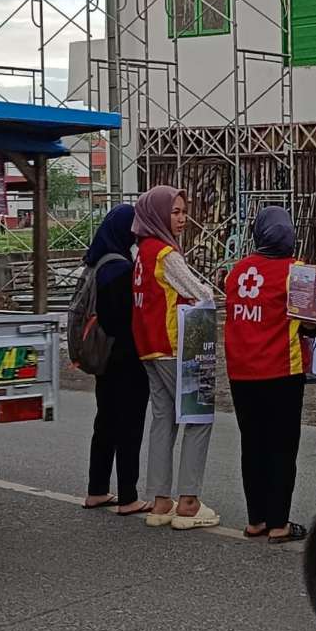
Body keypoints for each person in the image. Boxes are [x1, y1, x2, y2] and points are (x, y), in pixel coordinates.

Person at [131, 185, 220, 531]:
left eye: (184, 211)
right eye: (175, 212)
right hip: (175, 345)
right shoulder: (166, 253)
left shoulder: (141, 251)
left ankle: (160, 501)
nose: (182, 218)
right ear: (157, 214)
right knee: (199, 417)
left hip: (148, 347)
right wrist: (209, 292)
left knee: (163, 419)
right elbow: (199, 292)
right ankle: (189, 502)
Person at [224, 207, 308, 544]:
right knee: (282, 447)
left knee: (253, 444)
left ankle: (256, 519)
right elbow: (313, 320)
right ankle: (279, 523)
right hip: (281, 369)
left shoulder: (236, 271)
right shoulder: (296, 271)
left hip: (241, 372)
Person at [82, 205, 151, 516]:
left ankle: (96, 490)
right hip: (126, 358)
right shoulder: (121, 269)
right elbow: (125, 320)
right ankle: (128, 497)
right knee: (129, 427)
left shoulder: (96, 263)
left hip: (103, 358)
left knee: (106, 422)